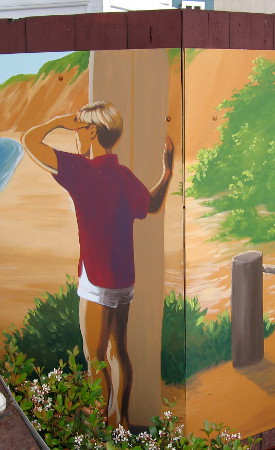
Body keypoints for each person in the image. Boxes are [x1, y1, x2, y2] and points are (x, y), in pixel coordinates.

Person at [21, 101, 174, 427]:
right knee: (120, 351)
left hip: (96, 276)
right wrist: (168, 171)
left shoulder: (80, 171)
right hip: (124, 279)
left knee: (95, 358)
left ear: (91, 131)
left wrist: (62, 122)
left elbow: (30, 140)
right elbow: (154, 202)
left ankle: (100, 428)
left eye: (81, 126)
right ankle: (121, 422)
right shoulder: (123, 175)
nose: (76, 133)